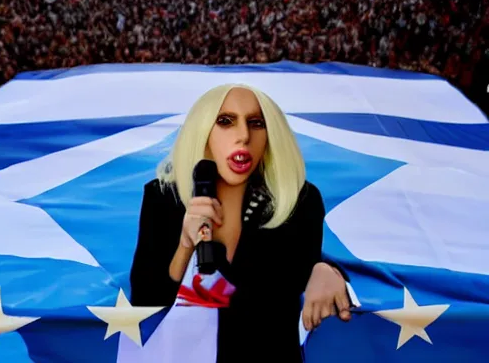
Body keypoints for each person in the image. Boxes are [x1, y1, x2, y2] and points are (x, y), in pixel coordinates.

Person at [130, 84, 352, 362]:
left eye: (256, 123)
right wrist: (185, 247)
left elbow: (300, 281)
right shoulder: (163, 197)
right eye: (226, 121)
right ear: (203, 131)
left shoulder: (301, 200)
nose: (243, 136)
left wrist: (327, 271)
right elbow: (145, 301)